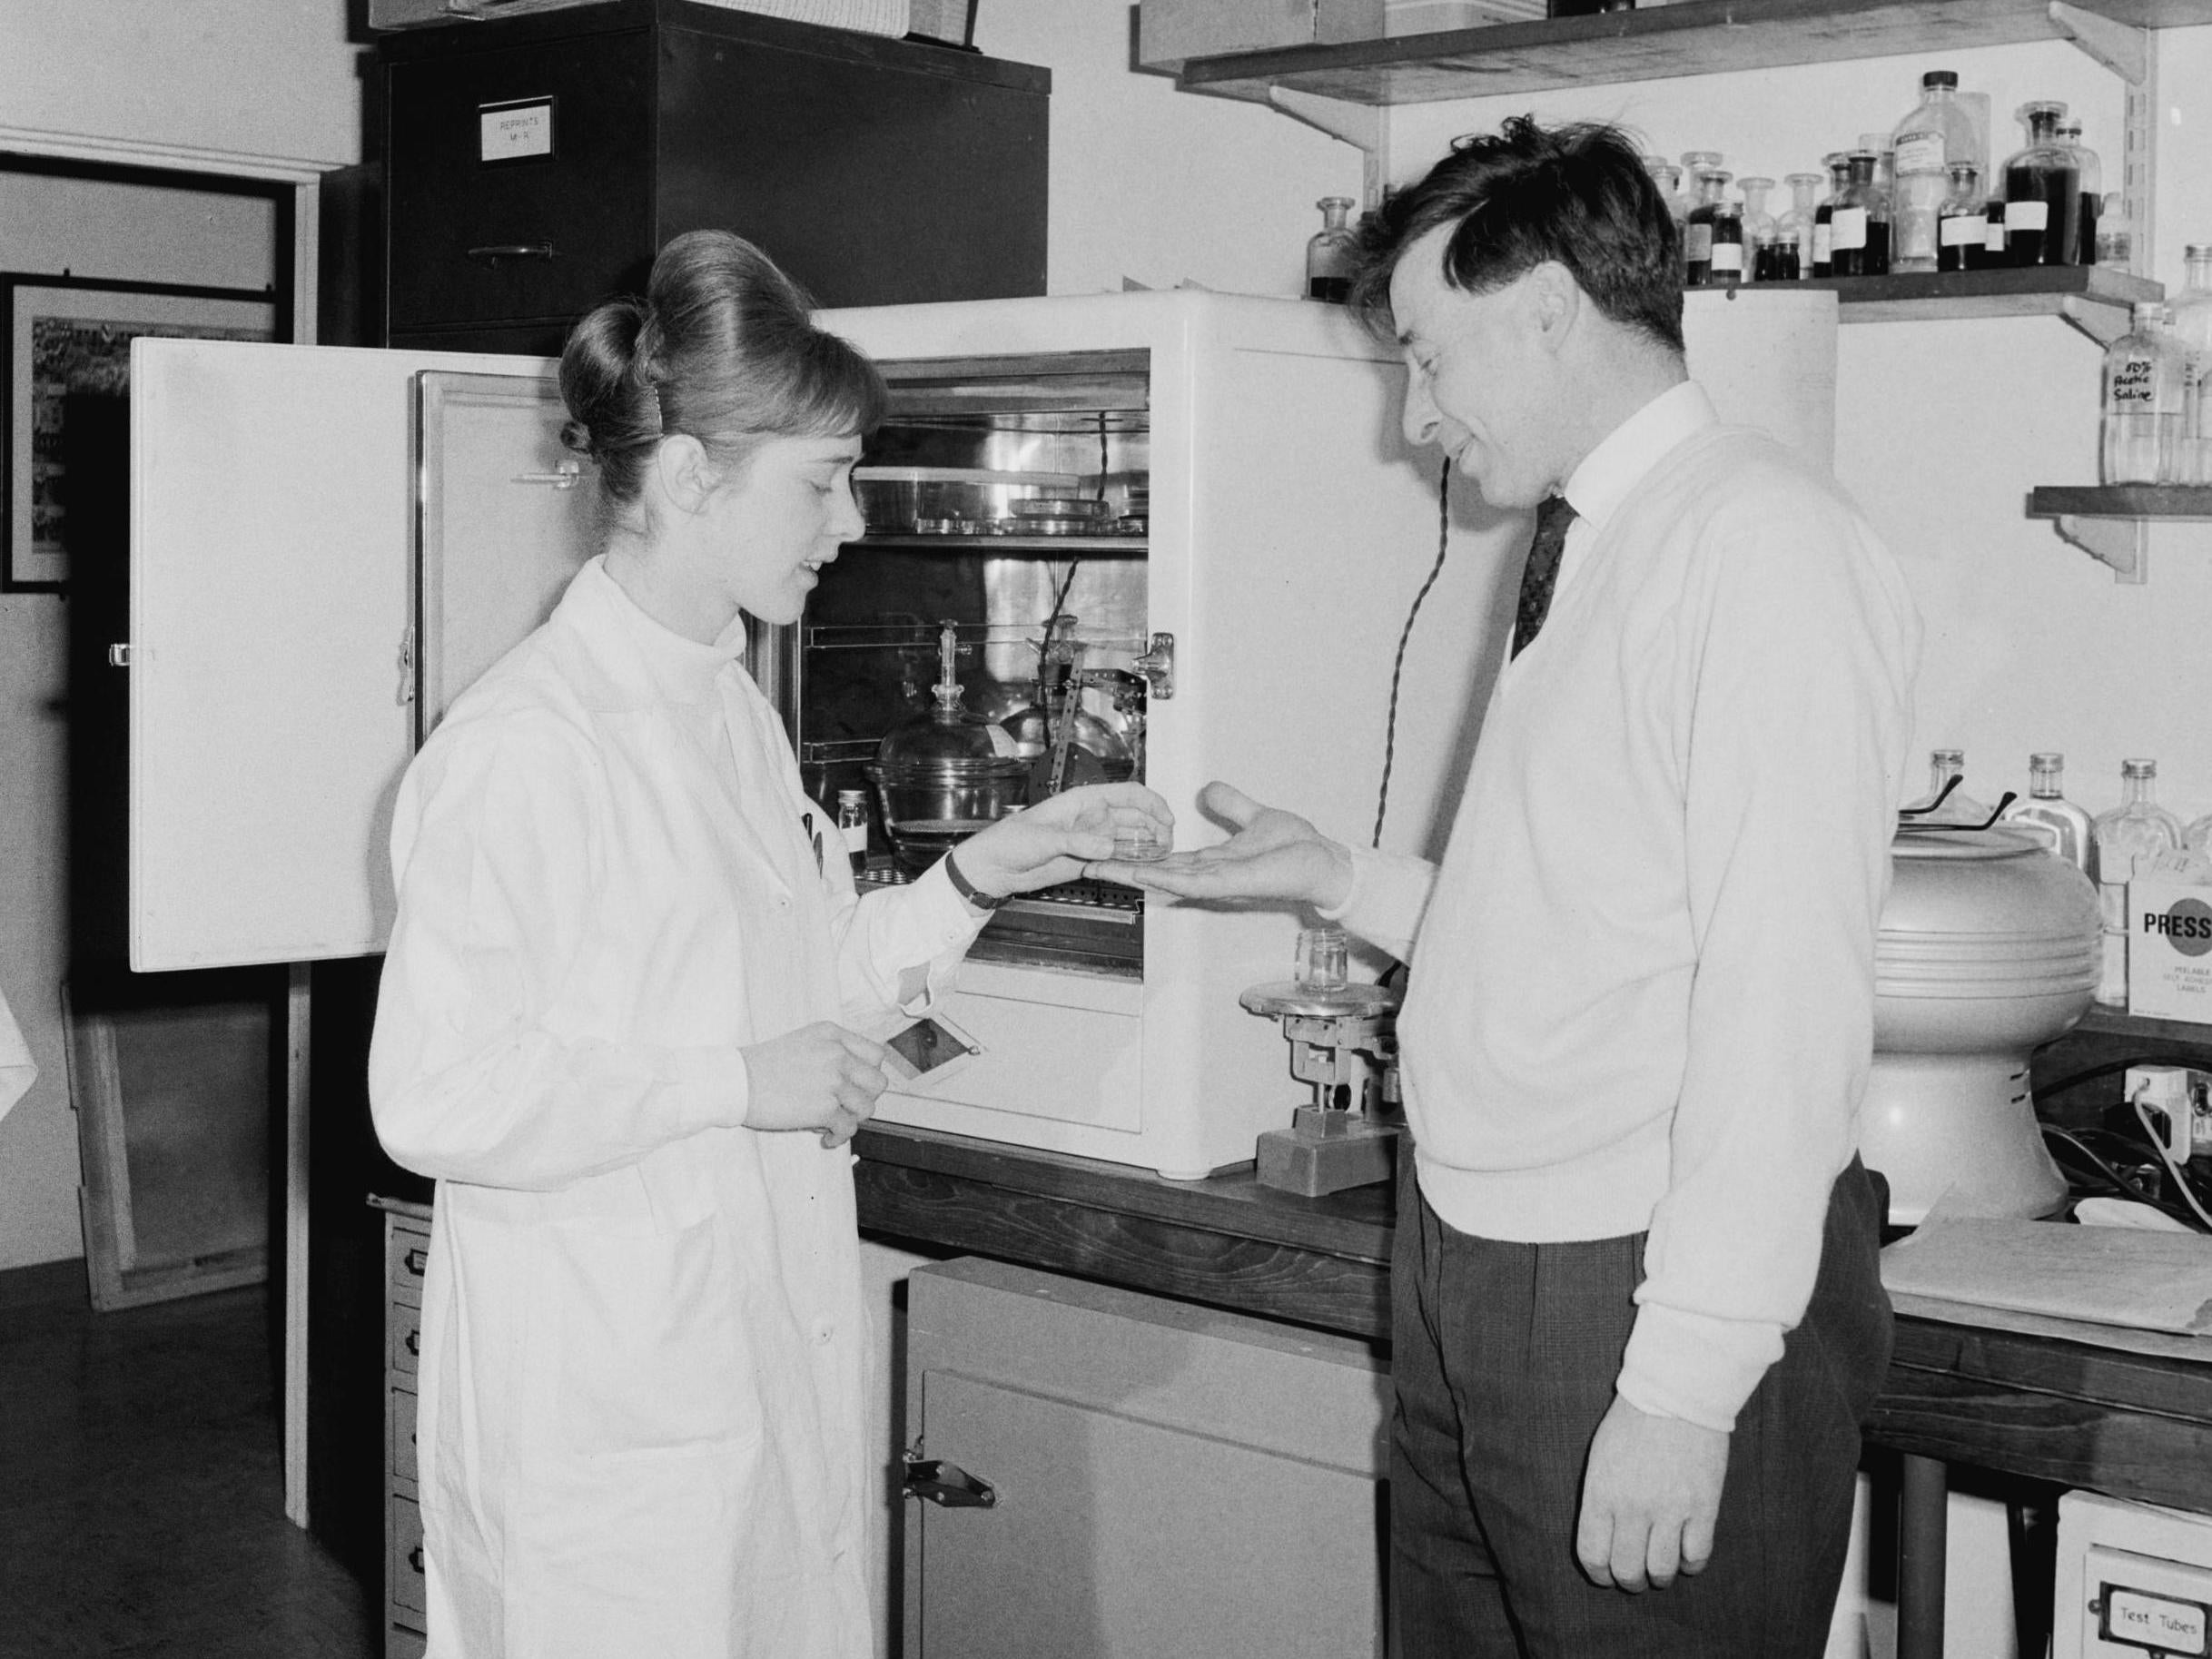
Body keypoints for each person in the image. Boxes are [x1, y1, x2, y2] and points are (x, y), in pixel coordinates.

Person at [1095, 119, 1920, 1656]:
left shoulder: (1762, 548)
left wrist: (1682, 1385)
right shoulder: (1598, 542)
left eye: (1429, 355)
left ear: (1546, 307)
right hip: (1475, 1255)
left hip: (1628, 1283)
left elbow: (1783, 996)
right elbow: (1591, 924)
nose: (1417, 419)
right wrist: (1340, 877)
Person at [368, 229, 1171, 1659]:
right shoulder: (524, 750)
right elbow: (437, 1095)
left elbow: (800, 993)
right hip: (611, 1414)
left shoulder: (723, 703)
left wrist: (981, 873)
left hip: (744, 1363)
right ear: (689, 478)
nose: (849, 521)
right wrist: (738, 1083)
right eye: (821, 480)